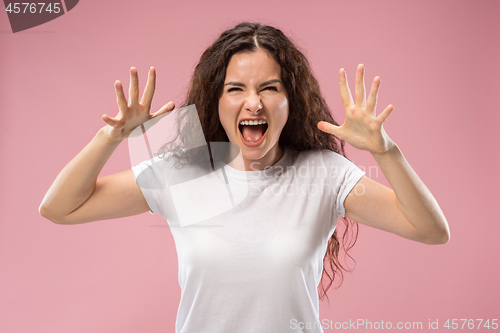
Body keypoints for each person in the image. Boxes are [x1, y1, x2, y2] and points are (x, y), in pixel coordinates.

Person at [40, 22, 450, 333]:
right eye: (235, 89)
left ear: (292, 100)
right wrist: (110, 136)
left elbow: (431, 230)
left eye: (269, 88)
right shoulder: (181, 170)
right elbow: (59, 208)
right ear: (215, 101)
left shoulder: (324, 174)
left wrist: (385, 152)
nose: (253, 103)